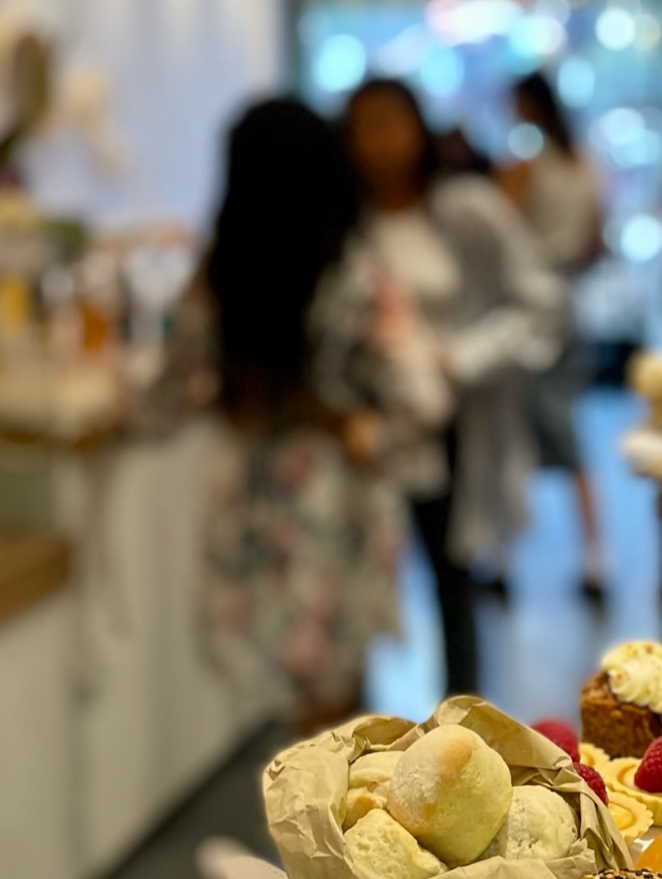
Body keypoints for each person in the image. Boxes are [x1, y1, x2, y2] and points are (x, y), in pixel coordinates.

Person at [162, 97, 449, 726]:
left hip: (250, 500)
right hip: (333, 499)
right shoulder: (356, 278)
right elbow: (426, 395)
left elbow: (171, 388)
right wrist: (362, 427)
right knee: (340, 712)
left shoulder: (219, 278)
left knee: (288, 708)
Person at [342, 78, 567, 697]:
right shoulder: (347, 224)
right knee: (363, 585)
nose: (379, 142)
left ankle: (460, 727)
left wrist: (458, 358)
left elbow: (540, 303)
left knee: (453, 580)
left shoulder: (466, 209)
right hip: (371, 429)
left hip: (451, 423)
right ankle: (355, 737)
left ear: (419, 129)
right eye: (364, 128)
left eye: (391, 124)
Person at [498, 72, 608, 604]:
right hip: (567, 304)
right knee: (564, 431)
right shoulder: (583, 164)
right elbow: (597, 240)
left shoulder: (525, 167)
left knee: (516, 433)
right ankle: (594, 555)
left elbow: (501, 237)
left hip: (528, 310)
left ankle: (502, 556)